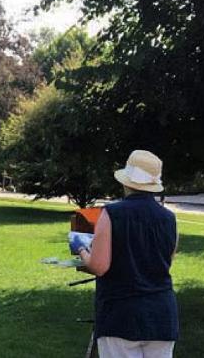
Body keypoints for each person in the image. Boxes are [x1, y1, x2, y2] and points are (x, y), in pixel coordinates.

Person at [69, 150, 179, 358]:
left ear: (126, 181)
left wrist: (81, 249)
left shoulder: (112, 213)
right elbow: (166, 260)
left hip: (121, 313)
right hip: (162, 314)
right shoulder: (169, 218)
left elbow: (99, 266)